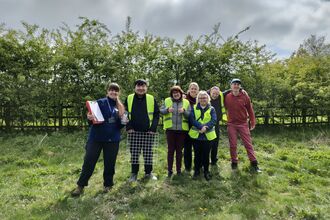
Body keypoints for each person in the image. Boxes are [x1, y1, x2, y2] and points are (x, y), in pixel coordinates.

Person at [71, 83, 125, 196]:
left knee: (110, 163)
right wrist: (89, 118)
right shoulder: (99, 103)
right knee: (89, 162)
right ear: (107, 91)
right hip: (96, 138)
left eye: (116, 91)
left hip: (112, 140)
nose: (113, 92)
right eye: (111, 90)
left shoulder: (120, 106)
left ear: (118, 93)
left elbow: (119, 125)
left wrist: (124, 122)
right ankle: (80, 186)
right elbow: (91, 121)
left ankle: (108, 185)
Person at [125, 79, 160, 182]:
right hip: (133, 132)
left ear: (146, 88)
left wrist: (153, 128)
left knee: (148, 153)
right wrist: (129, 127)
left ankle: (148, 173)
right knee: (134, 153)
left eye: (143, 86)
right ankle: (134, 174)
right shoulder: (129, 98)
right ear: (135, 88)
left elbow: (156, 114)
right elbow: (125, 114)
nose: (140, 88)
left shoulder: (151, 98)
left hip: (148, 132)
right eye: (138, 86)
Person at [224, 78, 261, 172]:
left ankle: (254, 164)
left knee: (248, 144)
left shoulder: (245, 96)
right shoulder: (227, 96)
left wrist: (253, 121)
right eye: (234, 84)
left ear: (240, 86)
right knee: (233, 145)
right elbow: (214, 94)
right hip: (231, 124)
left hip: (243, 124)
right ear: (231, 86)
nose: (236, 86)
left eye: (238, 84)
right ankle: (234, 162)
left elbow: (250, 109)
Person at [160, 86, 190, 177]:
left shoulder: (186, 102)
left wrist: (184, 111)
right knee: (170, 150)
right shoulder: (167, 101)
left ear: (181, 93)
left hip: (181, 131)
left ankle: (178, 170)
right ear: (171, 94)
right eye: (174, 93)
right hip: (170, 130)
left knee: (179, 151)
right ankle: (169, 170)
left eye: (177, 92)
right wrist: (167, 110)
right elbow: (161, 111)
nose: (176, 94)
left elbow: (189, 115)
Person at [189, 91, 217, 181]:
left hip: (208, 136)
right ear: (198, 99)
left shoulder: (212, 108)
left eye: (204, 97)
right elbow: (191, 119)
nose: (202, 99)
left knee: (206, 154)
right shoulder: (194, 107)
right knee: (197, 154)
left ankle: (206, 171)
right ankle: (196, 171)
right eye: (200, 98)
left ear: (208, 99)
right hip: (196, 135)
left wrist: (206, 127)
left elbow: (214, 120)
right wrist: (201, 127)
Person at [209, 86, 227, 165]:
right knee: (207, 142)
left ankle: (213, 159)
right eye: (213, 93)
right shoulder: (206, 96)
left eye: (216, 94)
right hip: (207, 123)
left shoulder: (221, 96)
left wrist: (240, 89)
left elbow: (229, 90)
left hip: (216, 124)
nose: (215, 95)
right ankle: (205, 159)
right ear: (210, 92)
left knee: (215, 142)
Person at [183, 82, 199, 173]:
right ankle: (187, 167)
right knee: (187, 148)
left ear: (198, 91)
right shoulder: (184, 99)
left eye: (195, 89)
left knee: (197, 148)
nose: (193, 90)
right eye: (192, 88)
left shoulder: (200, 99)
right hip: (187, 127)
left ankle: (198, 166)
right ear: (189, 89)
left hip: (197, 127)